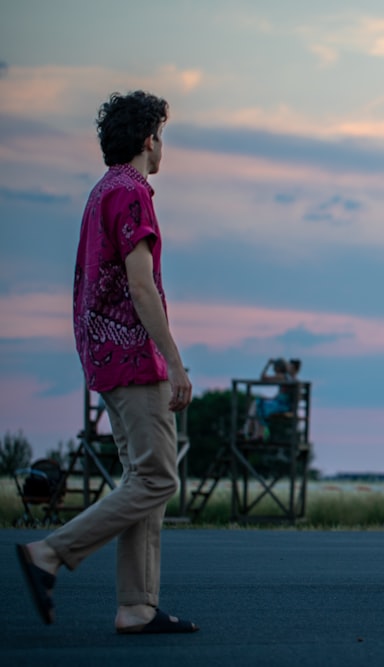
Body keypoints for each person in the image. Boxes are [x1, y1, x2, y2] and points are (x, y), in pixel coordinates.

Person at [15, 91, 198, 633]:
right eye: (160, 136)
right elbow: (141, 286)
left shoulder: (103, 193)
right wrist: (176, 362)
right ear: (148, 140)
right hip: (133, 358)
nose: (163, 147)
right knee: (158, 479)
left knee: (142, 476)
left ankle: (136, 606)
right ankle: (50, 553)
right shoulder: (131, 194)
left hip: (103, 355)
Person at [244, 357, 301, 440]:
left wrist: (268, 365)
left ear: (294, 368)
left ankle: (251, 431)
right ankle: (253, 431)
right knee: (259, 403)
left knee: (258, 403)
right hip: (286, 406)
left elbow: (263, 378)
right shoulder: (295, 380)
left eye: (289, 366)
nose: (287, 367)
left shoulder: (283, 377)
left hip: (282, 407)